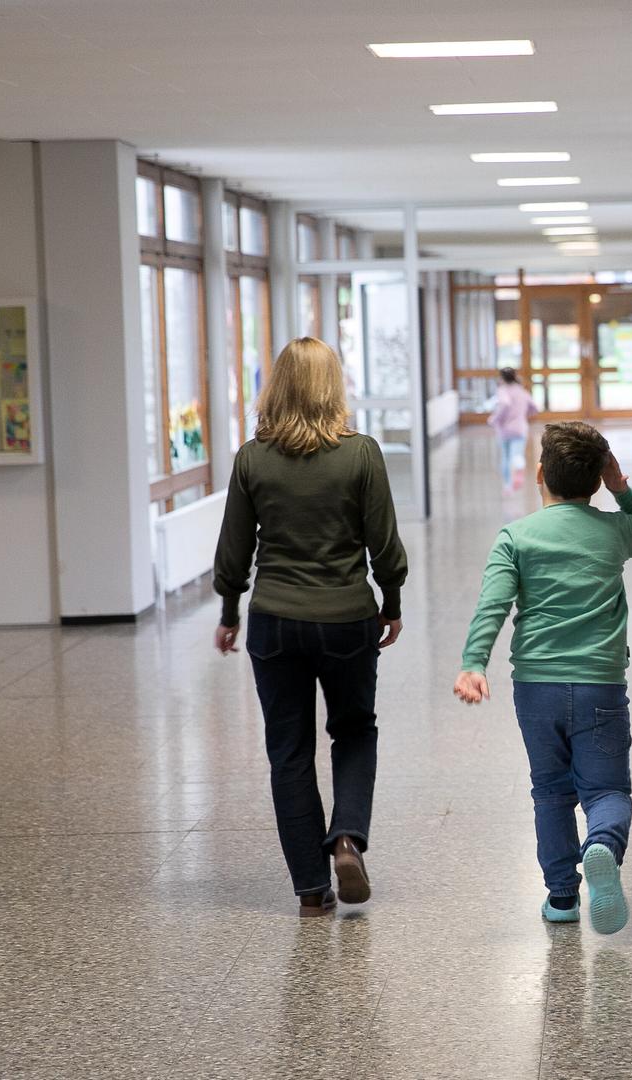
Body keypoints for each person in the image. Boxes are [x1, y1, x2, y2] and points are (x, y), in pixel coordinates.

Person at [213, 336, 409, 919]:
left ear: (276, 388)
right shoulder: (361, 453)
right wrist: (391, 603)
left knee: (289, 752)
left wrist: (228, 613)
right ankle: (346, 838)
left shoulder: (253, 458)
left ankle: (310, 889)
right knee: (353, 730)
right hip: (347, 616)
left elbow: (232, 553)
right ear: (333, 387)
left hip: (274, 622)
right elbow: (386, 546)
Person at [453, 422, 632, 934]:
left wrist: (473, 662)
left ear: (540, 475)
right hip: (601, 684)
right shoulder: (614, 530)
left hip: (536, 688)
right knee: (607, 791)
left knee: (549, 791)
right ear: (598, 479)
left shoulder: (517, 536)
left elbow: (494, 605)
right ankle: (602, 846)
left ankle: (562, 898)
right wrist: (622, 489)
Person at [487, 367, 540, 492]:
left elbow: (505, 404)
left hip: (504, 429)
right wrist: (525, 414)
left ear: (502, 378)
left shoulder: (502, 390)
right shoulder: (522, 391)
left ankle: (507, 485)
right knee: (517, 454)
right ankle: (519, 466)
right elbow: (534, 408)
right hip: (520, 428)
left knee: (505, 456)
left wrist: (494, 419)